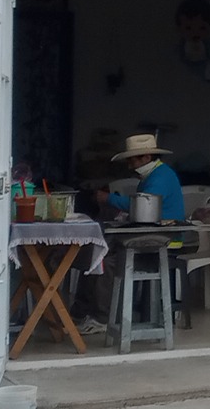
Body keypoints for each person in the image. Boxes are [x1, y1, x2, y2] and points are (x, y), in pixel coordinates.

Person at [77, 134, 186, 334]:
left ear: (145, 157)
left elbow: (142, 204)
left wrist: (108, 198)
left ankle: (101, 318)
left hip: (165, 238)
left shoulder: (161, 176)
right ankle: (83, 311)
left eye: (132, 160)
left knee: (105, 261)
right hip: (151, 232)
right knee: (97, 253)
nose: (129, 165)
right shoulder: (153, 176)